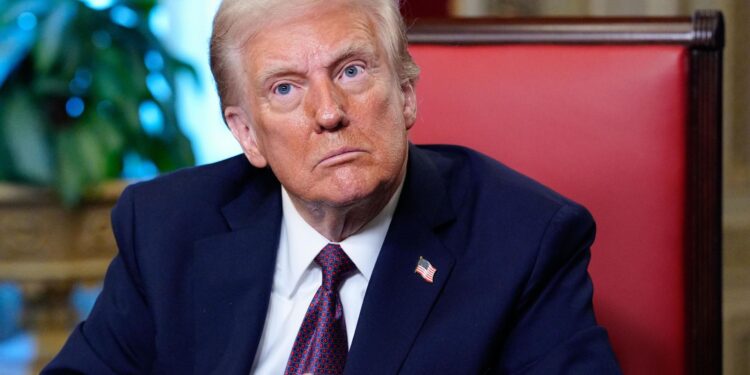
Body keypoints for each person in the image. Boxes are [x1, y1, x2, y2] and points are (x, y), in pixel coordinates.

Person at [43, 0, 621, 373]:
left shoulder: (524, 241)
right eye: (285, 89)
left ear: (407, 93)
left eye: (351, 71)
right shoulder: (167, 226)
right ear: (247, 134)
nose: (328, 113)